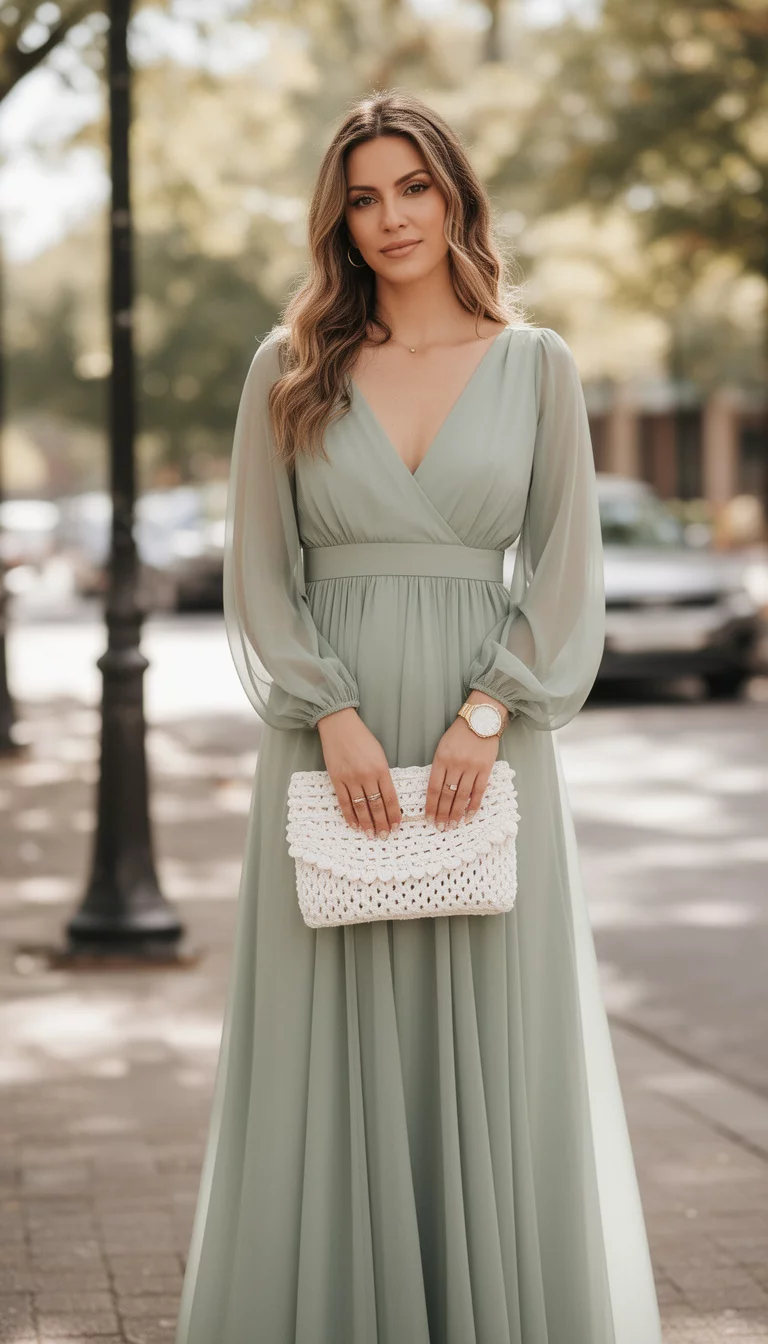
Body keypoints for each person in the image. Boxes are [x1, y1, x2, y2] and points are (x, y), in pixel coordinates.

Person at [174, 89, 662, 1344]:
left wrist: (489, 710)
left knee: (496, 1038)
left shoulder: (537, 365)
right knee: (331, 1038)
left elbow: (565, 571)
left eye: (412, 188)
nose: (390, 218)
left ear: (456, 199)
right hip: (331, 730)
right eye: (363, 196)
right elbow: (260, 573)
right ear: (339, 219)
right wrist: (328, 713)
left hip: (481, 736)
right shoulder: (289, 369)